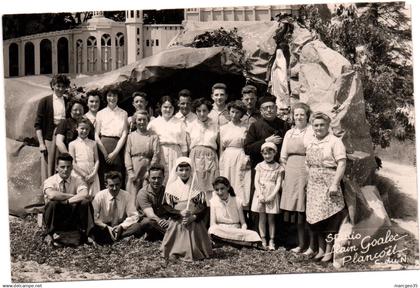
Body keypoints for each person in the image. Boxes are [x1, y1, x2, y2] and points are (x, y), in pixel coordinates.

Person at [305, 112, 347, 262]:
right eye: (316, 125)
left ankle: (329, 251)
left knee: (330, 218)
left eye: (322, 124)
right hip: (313, 185)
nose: (319, 127)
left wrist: (335, 184)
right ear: (312, 126)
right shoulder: (310, 142)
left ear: (328, 126)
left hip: (329, 183)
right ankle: (320, 249)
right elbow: (307, 163)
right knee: (316, 218)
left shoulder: (335, 142)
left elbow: (342, 163)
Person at [161, 157, 212, 261]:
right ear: (176, 171)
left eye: (187, 170)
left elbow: (202, 206)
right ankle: (176, 250)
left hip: (193, 220)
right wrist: (179, 212)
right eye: (181, 170)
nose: (184, 173)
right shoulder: (172, 187)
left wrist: (193, 217)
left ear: (191, 170)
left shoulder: (197, 186)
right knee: (177, 236)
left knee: (194, 242)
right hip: (177, 220)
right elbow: (166, 207)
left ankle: (196, 249)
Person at [280, 102, 315, 255]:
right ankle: (301, 244)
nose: (299, 117)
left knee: (308, 209)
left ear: (307, 116)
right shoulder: (289, 133)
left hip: (306, 170)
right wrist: (287, 173)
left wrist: (308, 171)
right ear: (293, 117)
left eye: (302, 114)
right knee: (297, 211)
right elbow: (283, 156)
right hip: (291, 172)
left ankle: (312, 246)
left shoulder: (312, 131)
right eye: (296, 114)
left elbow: (313, 152)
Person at [43, 153, 94, 247]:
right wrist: (73, 196)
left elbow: (84, 194)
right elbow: (52, 195)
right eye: (62, 167)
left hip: (73, 215)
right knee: (53, 203)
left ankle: (87, 234)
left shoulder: (77, 180)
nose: (65, 170)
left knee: (85, 202)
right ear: (57, 168)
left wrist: (66, 201)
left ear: (72, 168)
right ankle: (49, 234)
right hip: (56, 217)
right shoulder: (50, 180)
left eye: (68, 167)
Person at [34, 74, 70, 182]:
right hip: (50, 136)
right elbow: (38, 124)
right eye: (58, 86)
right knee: (49, 165)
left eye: (63, 86)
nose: (60, 89)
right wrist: (41, 143)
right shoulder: (45, 101)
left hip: (64, 135)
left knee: (64, 163)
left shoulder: (68, 101)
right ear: (53, 86)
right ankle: (48, 192)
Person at [91, 171, 143, 245]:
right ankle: (120, 239)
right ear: (106, 185)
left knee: (137, 227)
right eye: (111, 185)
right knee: (94, 229)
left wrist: (121, 226)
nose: (115, 188)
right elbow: (94, 216)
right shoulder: (100, 196)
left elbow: (134, 215)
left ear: (121, 183)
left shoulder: (127, 195)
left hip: (121, 226)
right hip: (104, 227)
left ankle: (114, 238)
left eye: (117, 185)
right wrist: (107, 227)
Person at [208, 176, 261, 248]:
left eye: (222, 188)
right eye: (217, 190)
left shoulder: (237, 200)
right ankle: (241, 244)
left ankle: (224, 243)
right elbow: (213, 224)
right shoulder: (213, 201)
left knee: (253, 234)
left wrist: (243, 232)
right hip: (221, 230)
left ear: (228, 187)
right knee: (212, 230)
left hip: (235, 229)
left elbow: (243, 223)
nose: (220, 192)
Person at [148, 96, 188, 184]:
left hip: (176, 153)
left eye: (170, 107)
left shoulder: (180, 123)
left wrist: (184, 160)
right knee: (161, 178)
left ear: (174, 108)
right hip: (160, 153)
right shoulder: (153, 123)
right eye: (165, 107)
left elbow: (184, 145)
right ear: (160, 108)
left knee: (175, 179)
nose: (168, 110)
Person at [219, 100, 251, 211]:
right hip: (227, 157)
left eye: (237, 112)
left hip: (240, 156)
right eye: (232, 112)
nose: (234, 115)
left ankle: (240, 211)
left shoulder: (245, 128)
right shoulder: (223, 128)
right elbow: (221, 148)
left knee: (240, 183)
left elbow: (247, 145)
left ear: (241, 114)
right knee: (227, 181)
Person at [186, 98, 219, 204]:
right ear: (195, 111)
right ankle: (197, 214)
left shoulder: (215, 126)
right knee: (196, 185)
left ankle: (210, 213)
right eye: (199, 111)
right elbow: (187, 146)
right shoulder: (190, 126)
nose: (202, 113)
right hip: (195, 157)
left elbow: (219, 144)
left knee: (211, 186)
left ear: (208, 111)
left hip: (210, 157)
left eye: (204, 110)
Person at [251, 142, 283, 250]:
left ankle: (272, 241)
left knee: (271, 218)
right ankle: (263, 239)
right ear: (262, 154)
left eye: (270, 153)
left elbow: (278, 183)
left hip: (271, 194)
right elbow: (256, 181)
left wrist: (272, 195)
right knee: (262, 217)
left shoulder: (278, 167)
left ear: (275, 153)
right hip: (261, 193)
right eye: (265, 154)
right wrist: (259, 194)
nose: (267, 156)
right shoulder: (259, 166)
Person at [95, 86, 128, 188]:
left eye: (114, 95)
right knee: (104, 173)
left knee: (117, 173)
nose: (112, 98)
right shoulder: (100, 113)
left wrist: (115, 152)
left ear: (118, 97)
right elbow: (96, 134)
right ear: (106, 97)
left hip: (117, 146)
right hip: (103, 145)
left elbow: (124, 133)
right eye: (109, 95)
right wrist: (104, 153)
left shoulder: (124, 113)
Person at [125, 110, 160, 198]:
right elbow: (127, 154)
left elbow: (156, 154)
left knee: (145, 194)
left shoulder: (153, 136)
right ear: (135, 121)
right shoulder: (130, 136)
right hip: (134, 167)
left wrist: (150, 171)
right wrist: (130, 171)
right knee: (132, 193)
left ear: (148, 121)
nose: (142, 122)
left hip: (147, 168)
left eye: (144, 120)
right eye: (139, 120)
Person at [135, 164, 169, 240]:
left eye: (159, 178)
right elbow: (151, 215)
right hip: (149, 220)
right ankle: (170, 235)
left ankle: (160, 235)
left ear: (163, 178)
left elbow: (172, 210)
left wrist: (169, 221)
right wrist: (161, 221)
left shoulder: (167, 191)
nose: (156, 181)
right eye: (153, 178)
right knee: (147, 222)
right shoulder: (143, 193)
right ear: (149, 178)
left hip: (163, 220)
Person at [68, 118, 100, 197]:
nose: (84, 131)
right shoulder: (72, 144)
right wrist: (84, 176)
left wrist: (93, 174)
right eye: (82, 128)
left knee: (94, 197)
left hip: (92, 174)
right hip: (79, 175)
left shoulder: (93, 143)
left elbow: (97, 160)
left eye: (87, 129)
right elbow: (73, 162)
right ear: (77, 128)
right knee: (81, 196)